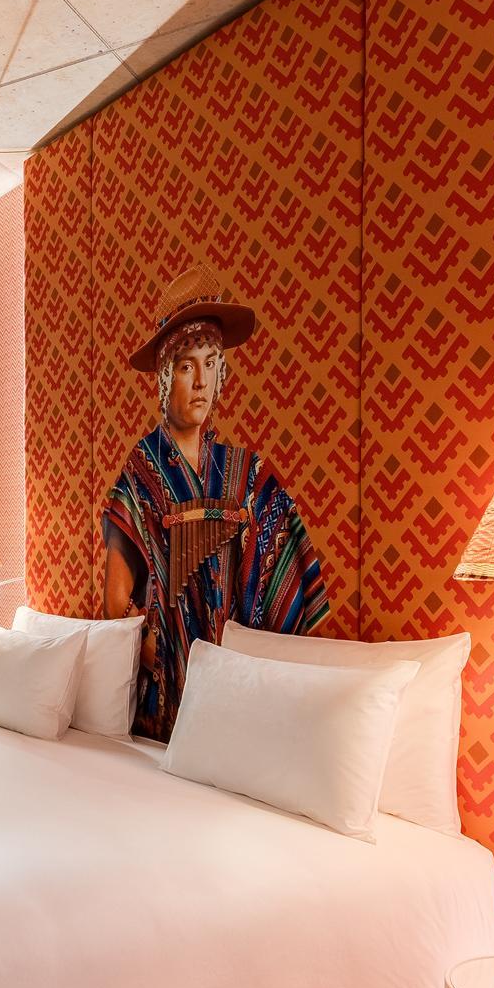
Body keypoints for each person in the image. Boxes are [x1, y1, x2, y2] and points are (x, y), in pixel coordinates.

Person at [103, 265, 329, 740]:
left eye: (211, 364)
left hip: (235, 682)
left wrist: (237, 663)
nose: (202, 382)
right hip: (166, 686)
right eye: (187, 366)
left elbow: (282, 571)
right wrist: (164, 655)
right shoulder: (142, 470)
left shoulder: (244, 473)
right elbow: (114, 603)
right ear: (166, 377)